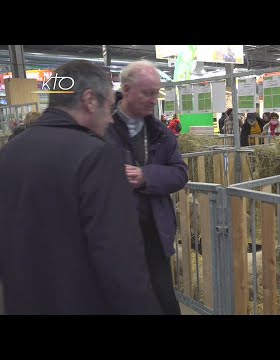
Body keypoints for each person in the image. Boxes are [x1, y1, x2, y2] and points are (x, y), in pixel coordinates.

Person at [0, 60, 163, 315]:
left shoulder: (10, 152)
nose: (110, 120)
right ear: (89, 100)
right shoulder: (97, 156)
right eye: (109, 107)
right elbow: (119, 258)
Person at [106, 60, 189, 315]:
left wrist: (146, 176)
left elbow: (180, 173)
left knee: (164, 298)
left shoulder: (162, 134)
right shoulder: (101, 127)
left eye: (156, 93)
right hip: (113, 232)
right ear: (127, 90)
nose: (153, 99)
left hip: (154, 230)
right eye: (147, 92)